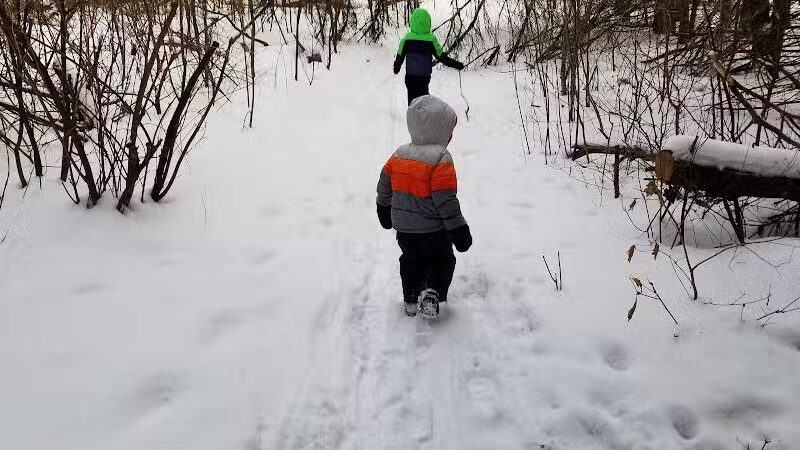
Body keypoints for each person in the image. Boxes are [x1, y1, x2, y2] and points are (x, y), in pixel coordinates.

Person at [376, 95, 472, 319]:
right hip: (433, 230)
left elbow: (384, 182)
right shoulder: (441, 157)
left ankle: (410, 299)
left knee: (410, 260)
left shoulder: (399, 153)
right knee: (441, 261)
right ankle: (431, 292)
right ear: (439, 130)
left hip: (405, 230)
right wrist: (458, 230)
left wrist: (383, 208)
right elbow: (445, 199)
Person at [393, 8, 465, 105]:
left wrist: (396, 68)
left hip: (410, 76)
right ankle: (425, 116)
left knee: (412, 100)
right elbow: (442, 57)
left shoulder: (406, 39)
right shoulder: (431, 40)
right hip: (424, 77)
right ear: (428, 22)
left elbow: (399, 56)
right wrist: (457, 64)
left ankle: (413, 116)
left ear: (412, 22)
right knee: (423, 99)